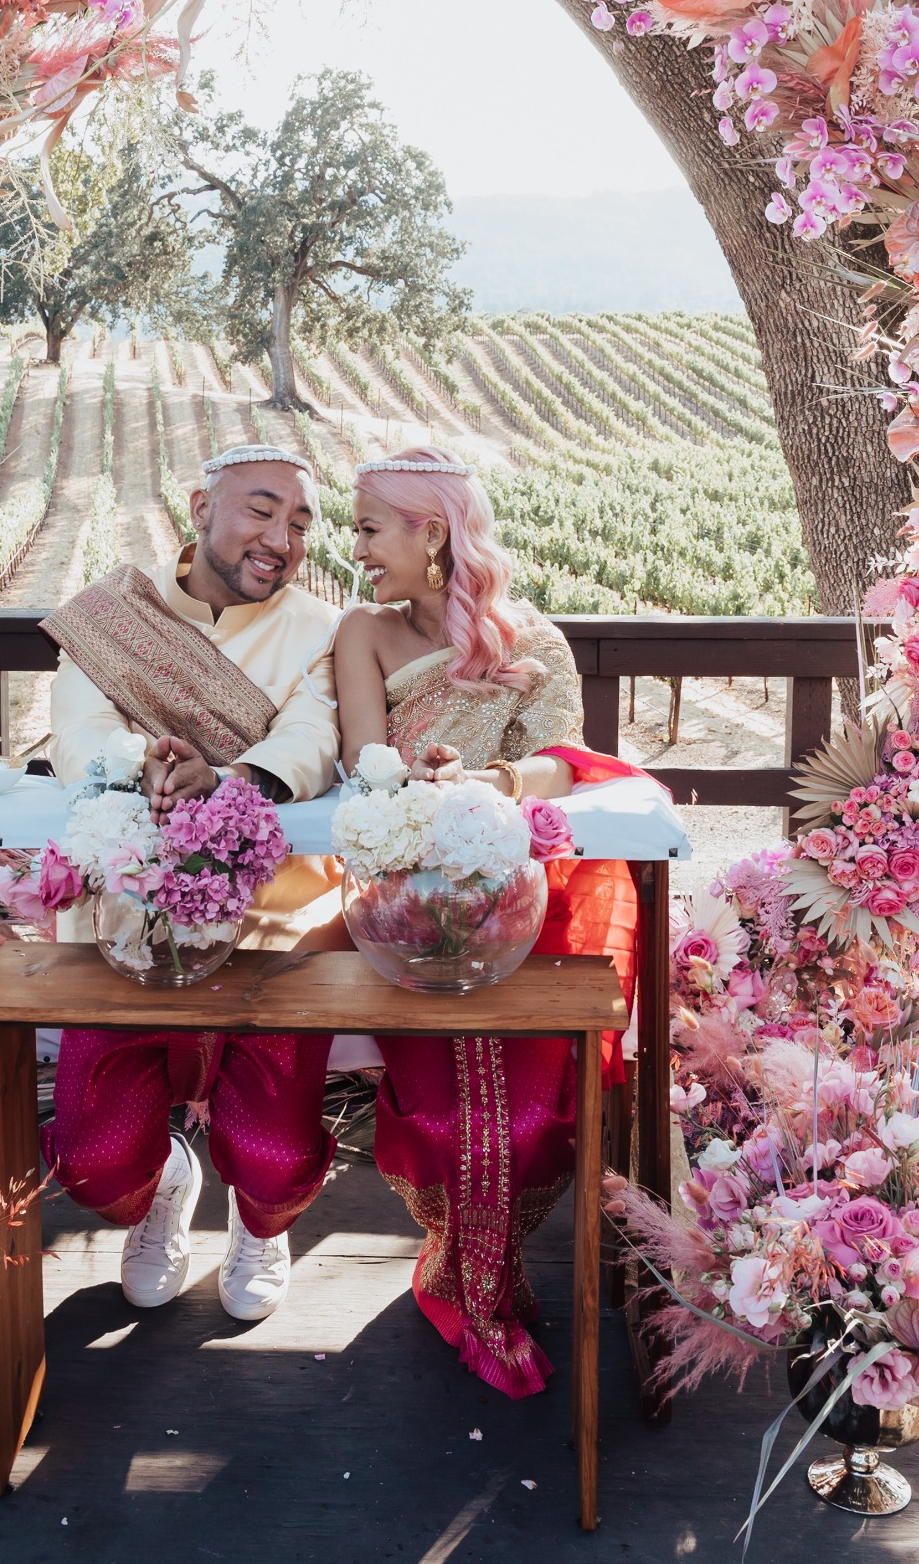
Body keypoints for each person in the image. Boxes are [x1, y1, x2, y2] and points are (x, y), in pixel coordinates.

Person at [333, 446, 641, 1397]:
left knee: (532, 1118)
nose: (356, 547)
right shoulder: (364, 633)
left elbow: (559, 756)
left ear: (433, 533)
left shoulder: (530, 635)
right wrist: (408, 791)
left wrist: (491, 785)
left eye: (370, 527)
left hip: (520, 909)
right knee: (439, 1115)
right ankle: (457, 1272)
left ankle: (485, 1273)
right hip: (399, 913)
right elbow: (359, 764)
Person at [40, 445, 341, 1321]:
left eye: (298, 523)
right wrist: (148, 765)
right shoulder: (110, 615)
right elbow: (76, 737)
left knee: (277, 1158)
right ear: (200, 503)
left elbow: (315, 734)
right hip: (120, 934)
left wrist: (234, 780)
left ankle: (259, 1220)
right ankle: (167, 1181)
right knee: (90, 1160)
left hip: (274, 932)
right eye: (259, 509)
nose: (278, 538)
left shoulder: (320, 627)